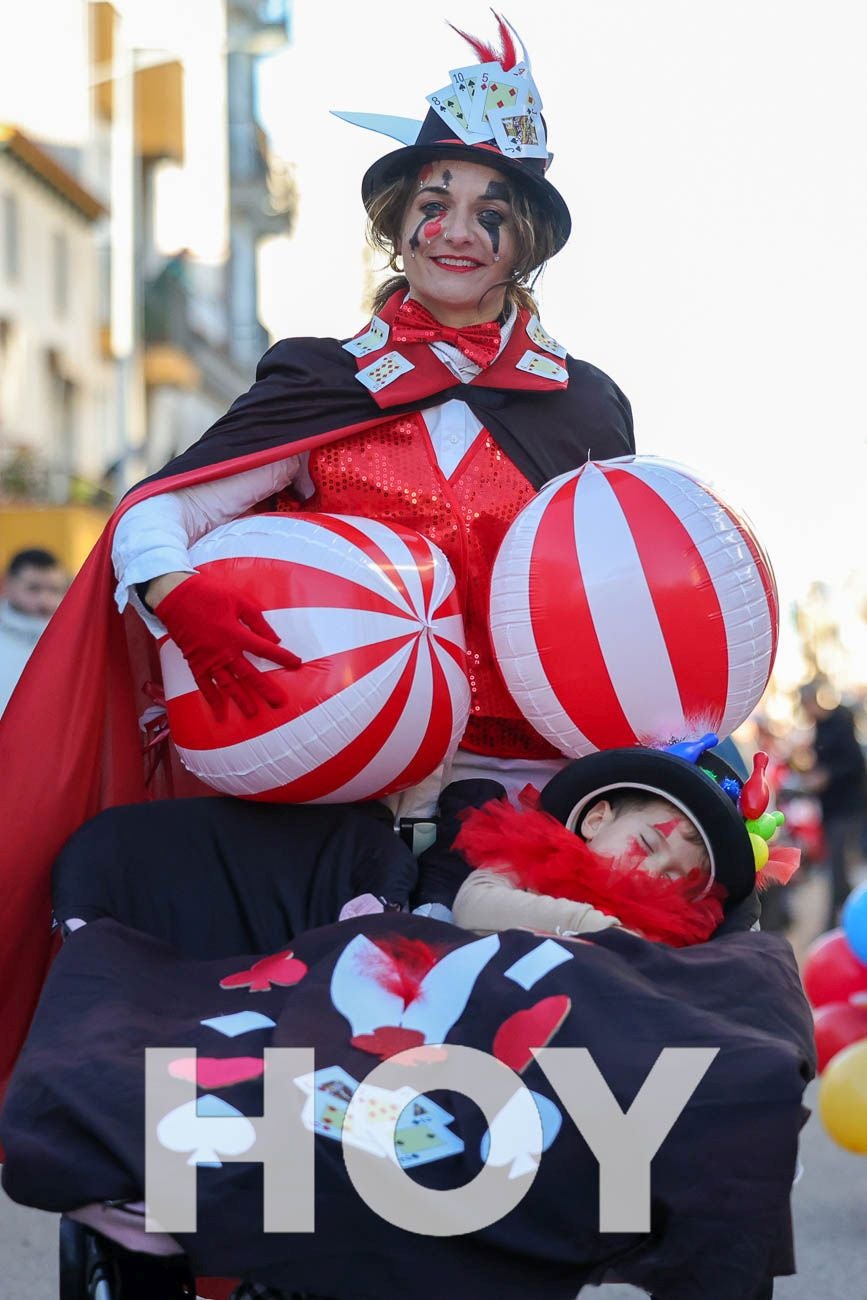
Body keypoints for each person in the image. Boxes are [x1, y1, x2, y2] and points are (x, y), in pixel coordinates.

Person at [0, 17, 633, 1098]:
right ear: (397, 224)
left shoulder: (585, 407)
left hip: (518, 786)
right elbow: (158, 516)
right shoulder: (324, 379)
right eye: (434, 202)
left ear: (527, 240)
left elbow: (613, 608)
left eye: (492, 211)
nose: (458, 232)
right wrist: (177, 599)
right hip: (327, 781)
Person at [452, 738, 799, 946]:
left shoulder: (674, 930)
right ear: (596, 819)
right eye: (647, 844)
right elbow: (472, 904)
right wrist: (604, 930)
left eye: (676, 876)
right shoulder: (537, 852)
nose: (650, 870)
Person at [799, 679, 867, 930]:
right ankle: (846, 916)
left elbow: (854, 764)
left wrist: (827, 775)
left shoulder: (841, 720)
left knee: (838, 867)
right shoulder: (819, 727)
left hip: (848, 808)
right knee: (836, 867)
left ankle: (836, 922)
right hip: (830, 809)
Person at [0, 547, 67, 713]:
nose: (45, 600)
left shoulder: (75, 641)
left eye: (54, 590)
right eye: (33, 588)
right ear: (8, 585)